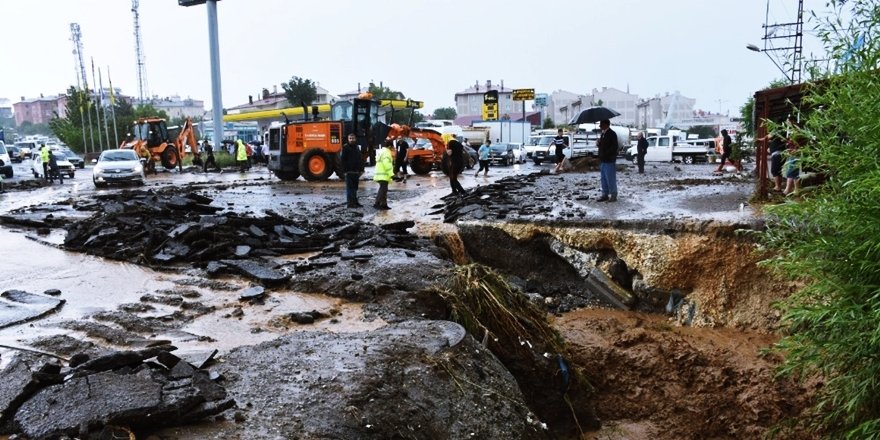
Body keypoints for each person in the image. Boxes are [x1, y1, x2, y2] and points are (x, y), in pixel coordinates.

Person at [341, 133, 365, 208]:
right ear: (348, 139)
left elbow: (360, 159)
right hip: (349, 171)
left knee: (355, 188)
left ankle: (355, 202)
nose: (351, 140)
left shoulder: (357, 148)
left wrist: (361, 170)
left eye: (353, 138)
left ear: (355, 139)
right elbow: (342, 160)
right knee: (350, 189)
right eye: (350, 138)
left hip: (356, 172)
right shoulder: (345, 148)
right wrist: (344, 171)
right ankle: (350, 204)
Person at [597, 119, 619, 202]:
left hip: (609, 160)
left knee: (610, 178)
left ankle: (613, 195)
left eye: (601, 124)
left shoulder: (612, 134)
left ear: (606, 124)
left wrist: (606, 153)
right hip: (603, 160)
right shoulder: (603, 134)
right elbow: (602, 146)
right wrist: (598, 143)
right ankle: (605, 194)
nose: (600, 126)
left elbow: (614, 147)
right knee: (603, 178)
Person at [373, 140, 394, 210]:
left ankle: (384, 204)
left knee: (384, 190)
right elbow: (387, 164)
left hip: (380, 174)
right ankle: (377, 203)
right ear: (390, 146)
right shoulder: (387, 153)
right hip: (383, 175)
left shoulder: (381, 151)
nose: (393, 149)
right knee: (383, 190)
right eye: (392, 147)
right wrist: (391, 174)